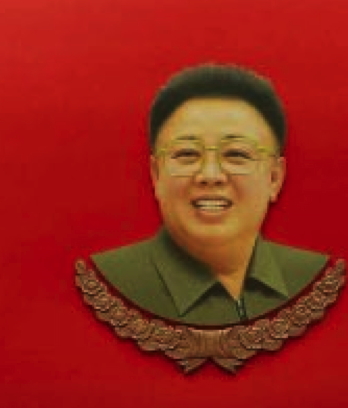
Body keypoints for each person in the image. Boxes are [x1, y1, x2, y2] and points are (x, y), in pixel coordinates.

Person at [86, 64, 330, 328]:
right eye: (187, 154)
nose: (210, 174)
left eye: (236, 154)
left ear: (274, 178)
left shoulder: (315, 280)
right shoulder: (109, 284)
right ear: (156, 175)